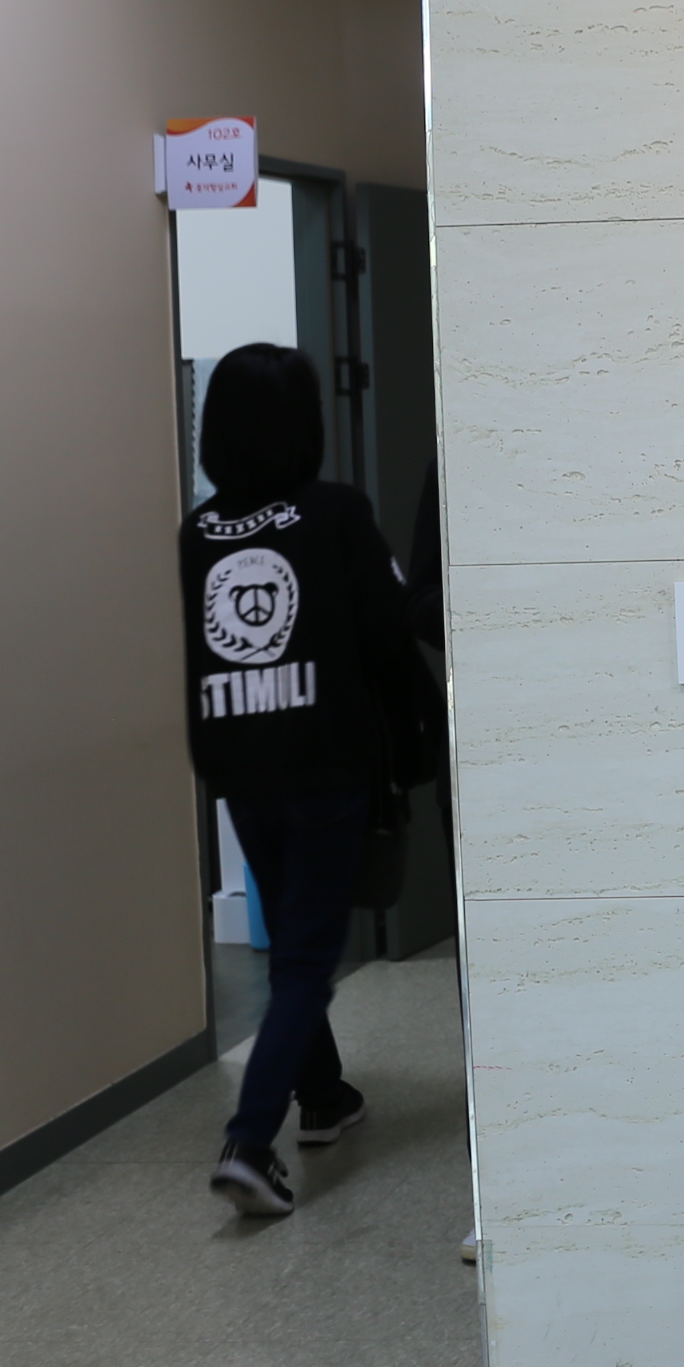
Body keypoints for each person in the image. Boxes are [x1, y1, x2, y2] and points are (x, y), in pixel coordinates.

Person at [179, 342, 440, 1220]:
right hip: (327, 765)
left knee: (295, 934)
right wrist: (421, 739)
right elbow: (389, 636)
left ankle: (323, 1096)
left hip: (240, 766)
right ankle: (249, 1143)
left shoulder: (199, 532)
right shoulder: (333, 513)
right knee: (305, 960)